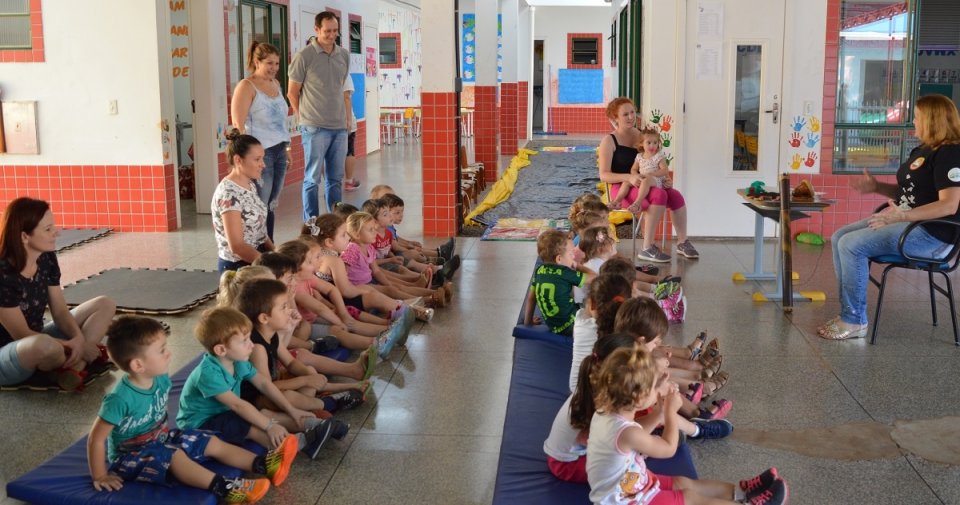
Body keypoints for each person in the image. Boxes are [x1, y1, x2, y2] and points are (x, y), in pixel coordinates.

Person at [87, 316, 296, 503]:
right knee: (174, 455)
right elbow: (96, 439)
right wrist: (100, 475)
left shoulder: (159, 378)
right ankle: (226, 488)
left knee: (208, 440)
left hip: (161, 439)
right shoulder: (119, 398)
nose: (169, 354)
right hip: (128, 458)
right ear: (138, 365)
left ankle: (264, 465)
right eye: (162, 350)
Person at [819, 94, 960, 340]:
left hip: (932, 235)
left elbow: (949, 205)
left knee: (851, 245)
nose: (913, 122)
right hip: (909, 223)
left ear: (933, 120)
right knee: (839, 236)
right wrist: (876, 187)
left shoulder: (950, 154)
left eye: (917, 117)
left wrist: (902, 216)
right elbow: (910, 191)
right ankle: (849, 311)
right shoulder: (924, 150)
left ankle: (853, 320)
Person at [585, 344, 788, 505]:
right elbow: (668, 448)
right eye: (654, 389)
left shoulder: (607, 413)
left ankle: (743, 493)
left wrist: (657, 413)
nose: (658, 391)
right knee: (691, 499)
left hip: (631, 485)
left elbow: (635, 432)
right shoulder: (628, 433)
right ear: (638, 398)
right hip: (625, 500)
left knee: (682, 483)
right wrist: (669, 412)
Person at [175, 307, 337, 461]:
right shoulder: (208, 374)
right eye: (244, 341)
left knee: (259, 413)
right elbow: (238, 406)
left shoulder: (237, 361)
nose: (251, 345)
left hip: (225, 411)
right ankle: (298, 443)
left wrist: (292, 409)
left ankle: (315, 426)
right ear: (221, 350)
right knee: (245, 423)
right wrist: (269, 427)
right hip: (199, 423)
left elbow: (265, 384)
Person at [0, 197, 116, 391]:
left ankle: (76, 366)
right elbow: (20, 334)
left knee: (104, 304)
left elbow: (61, 311)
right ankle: (77, 359)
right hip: (11, 352)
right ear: (24, 237)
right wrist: (70, 344)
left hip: (38, 337)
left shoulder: (46, 258)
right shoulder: (3, 274)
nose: (57, 232)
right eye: (47, 229)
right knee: (45, 346)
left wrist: (78, 339)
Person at [598, 97, 699, 262]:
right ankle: (647, 247)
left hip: (646, 183)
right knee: (659, 195)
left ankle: (682, 242)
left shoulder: (641, 136)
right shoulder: (609, 141)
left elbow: (654, 163)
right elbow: (604, 174)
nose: (631, 117)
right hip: (621, 189)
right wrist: (629, 177)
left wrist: (666, 179)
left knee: (675, 195)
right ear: (615, 118)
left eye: (632, 112)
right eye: (625, 114)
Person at [288, 12, 351, 219]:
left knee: (335, 178)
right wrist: (301, 117)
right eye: (327, 31)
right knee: (312, 179)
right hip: (314, 127)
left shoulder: (343, 55)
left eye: (335, 31)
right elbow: (292, 92)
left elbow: (339, 89)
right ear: (316, 30)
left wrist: (346, 121)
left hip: (339, 127)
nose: (332, 35)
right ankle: (311, 224)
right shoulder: (304, 56)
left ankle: (336, 222)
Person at [230, 41, 292, 241]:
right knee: (259, 203)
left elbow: (281, 121)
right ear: (257, 62)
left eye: (276, 63)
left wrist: (288, 147)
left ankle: (269, 244)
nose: (274, 68)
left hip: (280, 149)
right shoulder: (246, 86)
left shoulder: (276, 84)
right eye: (269, 63)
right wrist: (244, 157)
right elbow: (237, 124)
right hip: (260, 154)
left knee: (272, 203)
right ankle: (255, 247)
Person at [213, 131, 274, 273]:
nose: (263, 165)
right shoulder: (228, 195)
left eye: (262, 159)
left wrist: (275, 251)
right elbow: (237, 246)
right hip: (238, 266)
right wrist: (270, 266)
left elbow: (260, 231)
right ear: (238, 160)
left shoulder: (249, 184)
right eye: (257, 159)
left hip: (255, 257)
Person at [523, 229, 596, 336]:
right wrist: (577, 266)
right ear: (559, 259)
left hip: (554, 326)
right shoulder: (564, 272)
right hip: (573, 325)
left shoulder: (539, 271)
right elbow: (594, 277)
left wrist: (528, 323)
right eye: (571, 254)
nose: (573, 257)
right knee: (594, 301)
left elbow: (531, 299)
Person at [342, 73, 361, 192]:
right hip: (343, 120)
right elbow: (346, 97)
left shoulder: (323, 70)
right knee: (349, 151)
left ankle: (330, 183)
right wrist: (348, 120)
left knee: (328, 155)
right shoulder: (344, 74)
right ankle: (349, 181)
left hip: (326, 121)